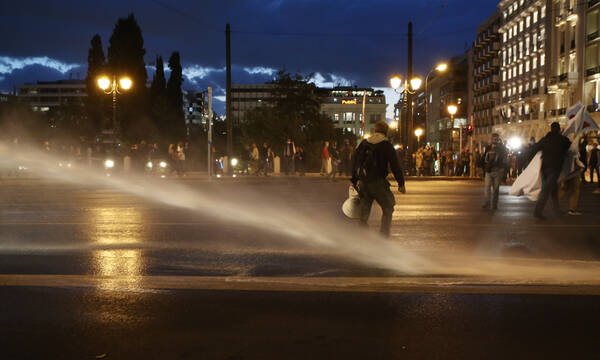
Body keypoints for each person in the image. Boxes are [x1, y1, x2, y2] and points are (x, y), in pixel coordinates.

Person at [351, 121, 405, 237]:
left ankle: (362, 236)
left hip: (364, 182)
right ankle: (383, 236)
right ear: (386, 132)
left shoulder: (364, 143)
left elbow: (355, 160)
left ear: (375, 130)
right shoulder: (386, 145)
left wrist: (354, 180)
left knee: (364, 211)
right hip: (378, 182)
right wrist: (401, 183)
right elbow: (395, 165)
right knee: (388, 207)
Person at [530, 122, 571, 220]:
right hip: (555, 168)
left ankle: (557, 210)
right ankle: (537, 212)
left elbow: (534, 148)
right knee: (546, 190)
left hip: (544, 168)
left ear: (551, 129)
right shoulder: (562, 140)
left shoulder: (545, 139)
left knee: (554, 190)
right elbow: (569, 145)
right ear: (559, 129)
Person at [479, 133, 508, 210]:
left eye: (496, 139)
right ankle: (487, 202)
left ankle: (494, 204)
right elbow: (484, 158)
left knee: (496, 189)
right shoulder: (488, 148)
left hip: (498, 171)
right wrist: (482, 167)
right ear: (491, 139)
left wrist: (503, 172)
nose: (495, 141)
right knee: (487, 187)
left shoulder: (502, 149)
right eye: (493, 139)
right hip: (489, 171)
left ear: (498, 140)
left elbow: (504, 160)